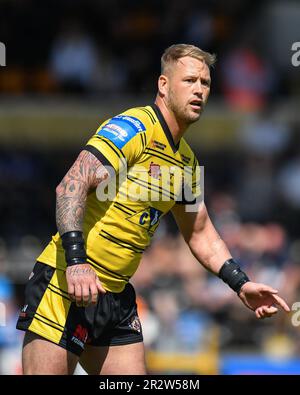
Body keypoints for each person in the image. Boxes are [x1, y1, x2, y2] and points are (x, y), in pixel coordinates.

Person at [16, 44, 290, 375]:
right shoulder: (134, 128)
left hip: (115, 297)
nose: (199, 90)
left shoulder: (186, 162)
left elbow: (200, 232)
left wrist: (241, 283)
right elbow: (71, 186)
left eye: (205, 82)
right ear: (163, 85)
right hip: (66, 281)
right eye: (189, 80)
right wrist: (77, 263)